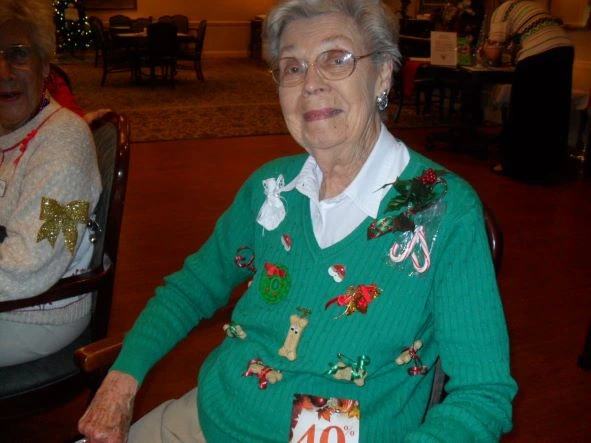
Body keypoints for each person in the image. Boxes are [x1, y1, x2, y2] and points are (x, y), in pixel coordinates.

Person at [79, 0, 517, 441]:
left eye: (336, 59)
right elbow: (192, 288)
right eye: (292, 67)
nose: (311, 84)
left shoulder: (442, 210)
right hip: (210, 419)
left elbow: (482, 395)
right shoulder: (272, 189)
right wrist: (121, 380)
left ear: (382, 72)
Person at [0, 0, 102, 366]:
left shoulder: (63, 140)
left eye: (18, 54)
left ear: (44, 66)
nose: (3, 70)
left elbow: (29, 264)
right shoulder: (8, 129)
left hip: (36, 311)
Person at [483, 0, 574, 183]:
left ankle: (515, 167)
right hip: (564, 49)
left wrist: (485, 49)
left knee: (523, 112)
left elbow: (494, 54)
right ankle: (551, 168)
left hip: (539, 56)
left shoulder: (501, 11)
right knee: (553, 112)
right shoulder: (528, 6)